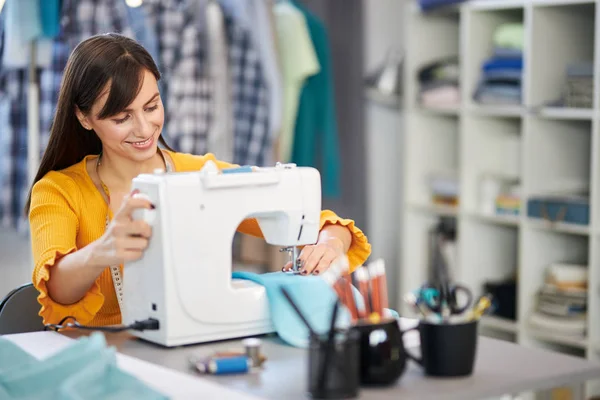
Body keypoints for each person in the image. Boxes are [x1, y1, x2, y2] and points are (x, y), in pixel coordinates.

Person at [25, 33, 371, 327]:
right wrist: (103, 250)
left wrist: (329, 244)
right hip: (98, 362)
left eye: (151, 106)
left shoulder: (197, 174)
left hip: (188, 350)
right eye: (121, 117)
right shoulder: (58, 192)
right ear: (84, 118)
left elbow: (319, 221)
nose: (145, 129)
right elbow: (56, 288)